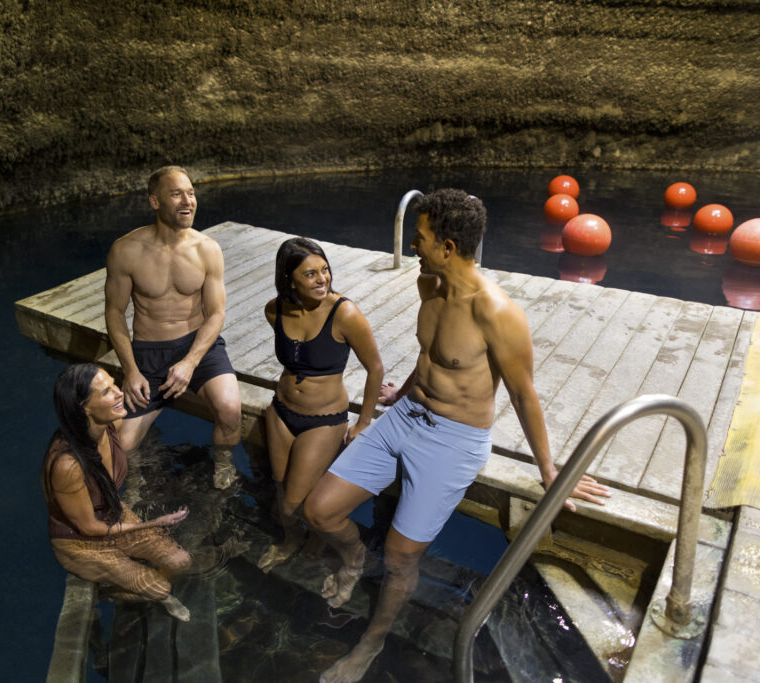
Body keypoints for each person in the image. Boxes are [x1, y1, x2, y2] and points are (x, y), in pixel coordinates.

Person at [305, 189, 612, 682]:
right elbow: (431, 354)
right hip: (405, 416)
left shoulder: (497, 312)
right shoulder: (429, 284)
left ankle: (370, 642)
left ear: (447, 246)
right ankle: (354, 557)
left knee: (403, 555)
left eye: (420, 238)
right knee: (319, 511)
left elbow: (524, 395)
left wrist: (552, 472)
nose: (413, 247)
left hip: (453, 438)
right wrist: (400, 392)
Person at [104, 165, 242, 489]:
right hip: (148, 354)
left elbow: (217, 313)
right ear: (155, 201)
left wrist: (190, 362)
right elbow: (114, 313)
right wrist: (132, 370)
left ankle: (222, 464)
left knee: (230, 408)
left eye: (191, 193)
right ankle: (137, 483)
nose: (188, 201)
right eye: (177, 194)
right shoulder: (126, 251)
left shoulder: (206, 249)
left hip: (198, 347)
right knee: (121, 446)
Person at [257, 238, 384, 573]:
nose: (322, 279)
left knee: (295, 502)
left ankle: (346, 550)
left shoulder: (345, 313)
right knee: (283, 495)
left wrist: (363, 422)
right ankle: (293, 541)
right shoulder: (276, 309)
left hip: (323, 420)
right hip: (281, 412)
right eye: (310, 274)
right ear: (290, 280)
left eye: (324, 270)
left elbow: (375, 368)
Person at [42, 363, 193, 621]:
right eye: (107, 392)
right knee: (161, 588)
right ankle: (107, 594)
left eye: (114, 384)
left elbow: (148, 404)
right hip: (81, 541)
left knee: (181, 562)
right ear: (84, 408)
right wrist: (152, 524)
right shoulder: (68, 465)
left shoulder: (109, 424)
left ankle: (126, 586)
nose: (118, 392)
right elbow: (89, 529)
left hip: (112, 516)